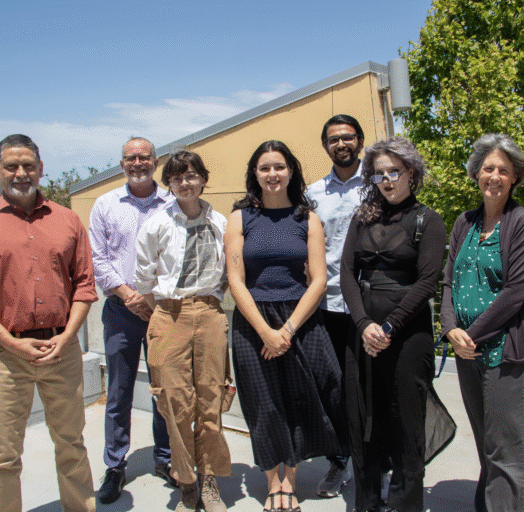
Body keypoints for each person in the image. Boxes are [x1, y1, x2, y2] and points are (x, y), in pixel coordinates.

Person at [0, 134, 98, 512]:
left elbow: (84, 285)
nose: (21, 173)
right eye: (11, 166)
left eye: (28, 165)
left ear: (41, 168)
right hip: (4, 354)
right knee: (3, 452)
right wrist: (13, 343)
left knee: (71, 444)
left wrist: (67, 338)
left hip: (60, 349)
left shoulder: (67, 221)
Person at [225, 140, 346, 512]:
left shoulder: (306, 218)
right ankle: (272, 481)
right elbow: (235, 279)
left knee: (299, 399)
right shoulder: (239, 218)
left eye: (279, 167)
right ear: (255, 174)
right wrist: (265, 331)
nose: (272, 174)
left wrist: (287, 330)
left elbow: (319, 280)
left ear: (291, 171)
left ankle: (290, 481)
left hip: (300, 320)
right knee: (263, 405)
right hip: (252, 321)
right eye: (265, 168)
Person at [340, 136, 447, 512]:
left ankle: (404, 505)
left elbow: (427, 282)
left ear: (411, 173)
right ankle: (367, 502)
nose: (386, 181)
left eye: (394, 172)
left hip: (407, 336)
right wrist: (364, 322)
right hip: (363, 333)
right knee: (362, 417)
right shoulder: (362, 217)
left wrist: (387, 328)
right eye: (379, 174)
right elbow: (347, 274)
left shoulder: (428, 219)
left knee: (406, 421)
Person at [440, 133, 524, 512]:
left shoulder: (523, 222)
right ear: (476, 174)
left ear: (515, 177)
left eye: (504, 169)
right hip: (467, 351)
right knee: (487, 445)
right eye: (488, 168)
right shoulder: (464, 222)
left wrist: (470, 333)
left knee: (507, 452)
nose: (495, 175)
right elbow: (448, 279)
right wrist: (450, 328)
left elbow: (516, 291)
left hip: (505, 351)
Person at [134, 151, 231, 512]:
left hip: (208, 314)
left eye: (192, 175)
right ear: (169, 184)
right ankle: (185, 480)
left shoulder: (220, 222)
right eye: (177, 177)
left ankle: (208, 480)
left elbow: (228, 271)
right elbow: (144, 278)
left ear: (203, 179)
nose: (186, 182)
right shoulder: (157, 224)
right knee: (174, 403)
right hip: (169, 314)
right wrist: (165, 311)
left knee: (210, 398)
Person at [88, 136, 173, 504]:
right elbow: (97, 259)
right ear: (122, 163)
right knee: (120, 393)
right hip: (122, 312)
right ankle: (115, 465)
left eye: (144, 157)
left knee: (166, 391)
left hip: (165, 313)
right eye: (130, 158)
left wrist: (153, 300)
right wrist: (129, 296)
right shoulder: (105, 204)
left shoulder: (174, 203)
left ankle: (166, 458)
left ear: (156, 161)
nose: (137, 163)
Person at [306, 114, 365, 498]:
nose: (341, 144)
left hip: (369, 303)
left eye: (347, 137)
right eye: (333, 139)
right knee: (333, 387)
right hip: (326, 304)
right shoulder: (313, 193)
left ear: (359, 140)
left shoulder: (379, 183)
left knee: (370, 386)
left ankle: (374, 464)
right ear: (326, 145)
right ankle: (339, 460)